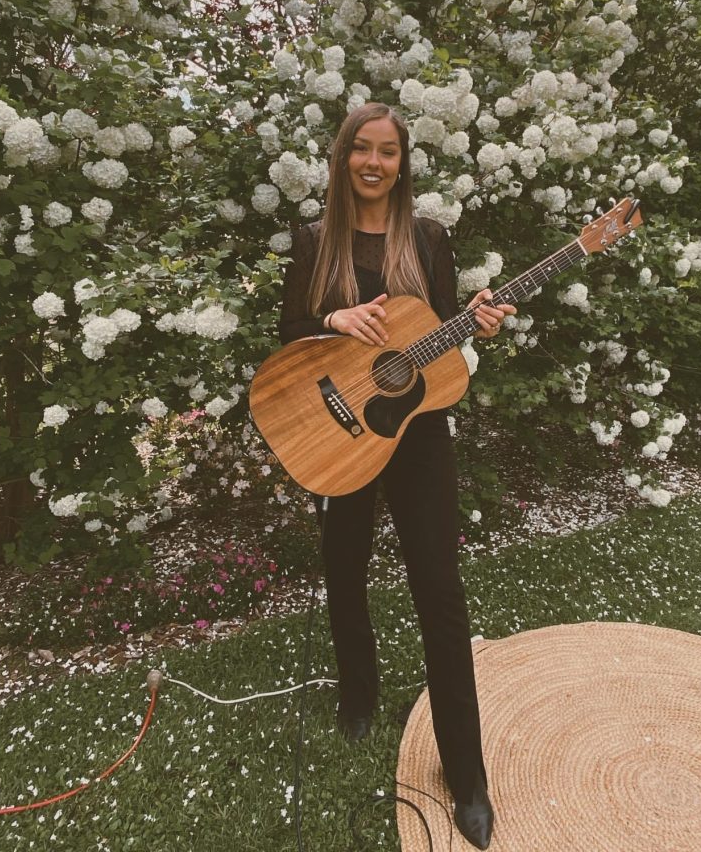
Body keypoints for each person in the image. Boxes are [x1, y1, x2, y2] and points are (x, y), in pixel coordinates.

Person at [278, 102, 516, 850]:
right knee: (343, 570)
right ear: (343, 156)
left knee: (439, 591)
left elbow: (435, 336)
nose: (374, 163)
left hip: (417, 436)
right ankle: (359, 693)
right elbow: (288, 337)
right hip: (342, 436)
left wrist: (475, 323)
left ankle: (467, 775)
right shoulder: (314, 242)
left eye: (388, 152)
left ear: (402, 163)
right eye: (362, 149)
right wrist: (332, 323)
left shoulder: (428, 238)